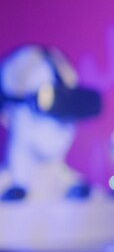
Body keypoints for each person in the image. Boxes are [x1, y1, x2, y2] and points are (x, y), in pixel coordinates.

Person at [0, 45, 91, 201]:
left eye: (66, 102)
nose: (60, 120)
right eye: (46, 101)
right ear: (8, 114)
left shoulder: (81, 190)